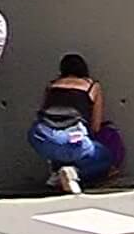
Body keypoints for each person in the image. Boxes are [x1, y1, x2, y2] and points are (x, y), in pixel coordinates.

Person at [30, 54, 117, 193]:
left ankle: (57, 173)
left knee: (58, 147)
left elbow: (43, 110)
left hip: (40, 135)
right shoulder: (92, 86)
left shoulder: (52, 85)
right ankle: (74, 173)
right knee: (105, 158)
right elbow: (95, 126)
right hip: (72, 136)